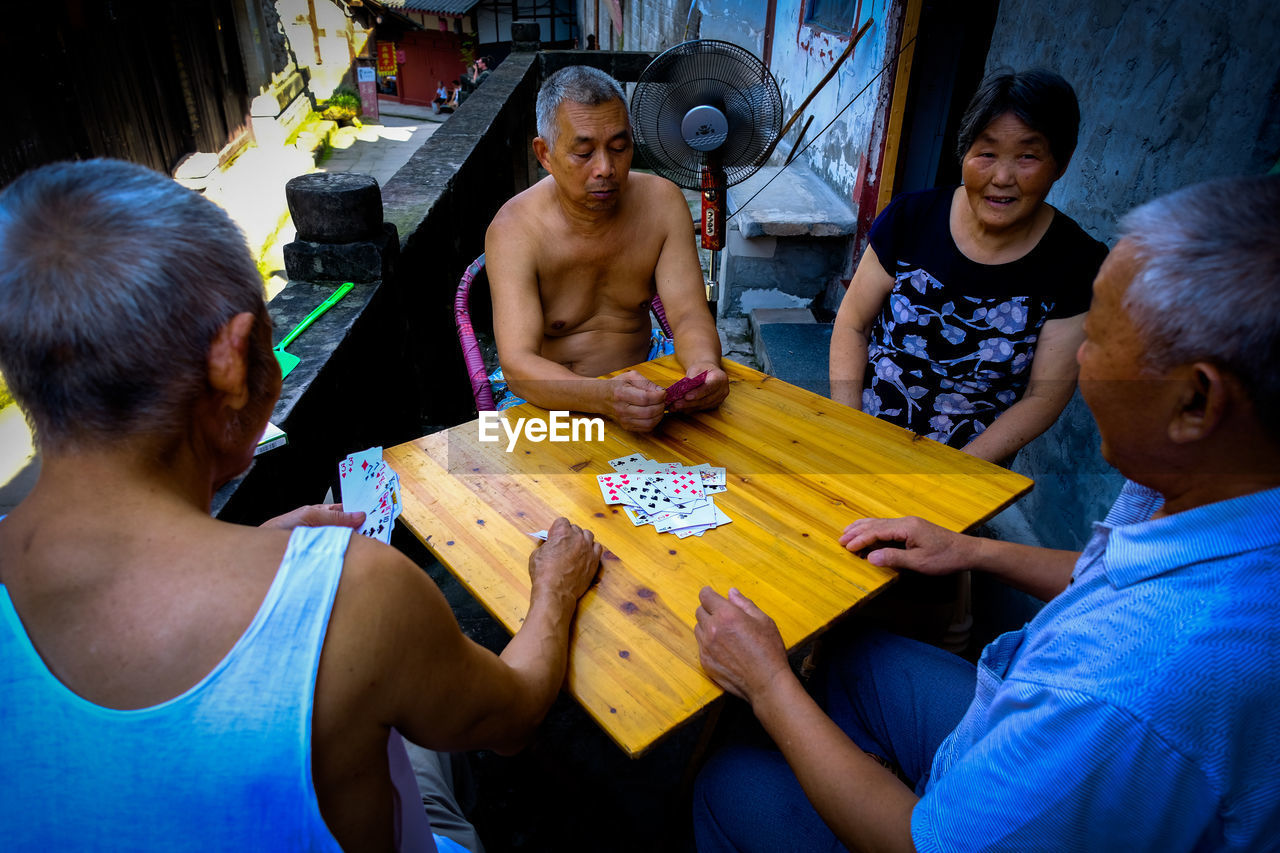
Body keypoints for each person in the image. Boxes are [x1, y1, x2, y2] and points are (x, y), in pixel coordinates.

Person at [0, 159, 603, 851]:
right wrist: (553, 587)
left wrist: (254, 550)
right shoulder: (355, 593)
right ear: (231, 362)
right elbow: (518, 713)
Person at [693, 174, 1280, 851]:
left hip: (978, 805)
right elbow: (1109, 574)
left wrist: (767, 683)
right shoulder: (1205, 488)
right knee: (852, 654)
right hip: (1031, 731)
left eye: (1103, 337)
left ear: (1196, 401)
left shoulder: (1127, 685)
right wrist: (971, 550)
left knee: (727, 779)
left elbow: (924, 844)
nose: (1078, 356)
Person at [830, 69, 1108, 463]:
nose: (1002, 177)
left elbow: (1044, 396)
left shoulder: (1076, 261)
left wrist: (955, 476)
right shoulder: (911, 218)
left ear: (1060, 163)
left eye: (1028, 156)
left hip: (971, 466)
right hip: (865, 440)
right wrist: (846, 424)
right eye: (987, 153)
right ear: (964, 153)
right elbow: (852, 323)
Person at [485, 65, 727, 431]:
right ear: (545, 154)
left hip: (649, 378)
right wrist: (603, 397)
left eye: (619, 147)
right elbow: (519, 365)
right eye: (583, 154)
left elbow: (689, 315)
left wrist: (704, 366)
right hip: (553, 401)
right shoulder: (515, 229)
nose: (606, 168)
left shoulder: (662, 203)